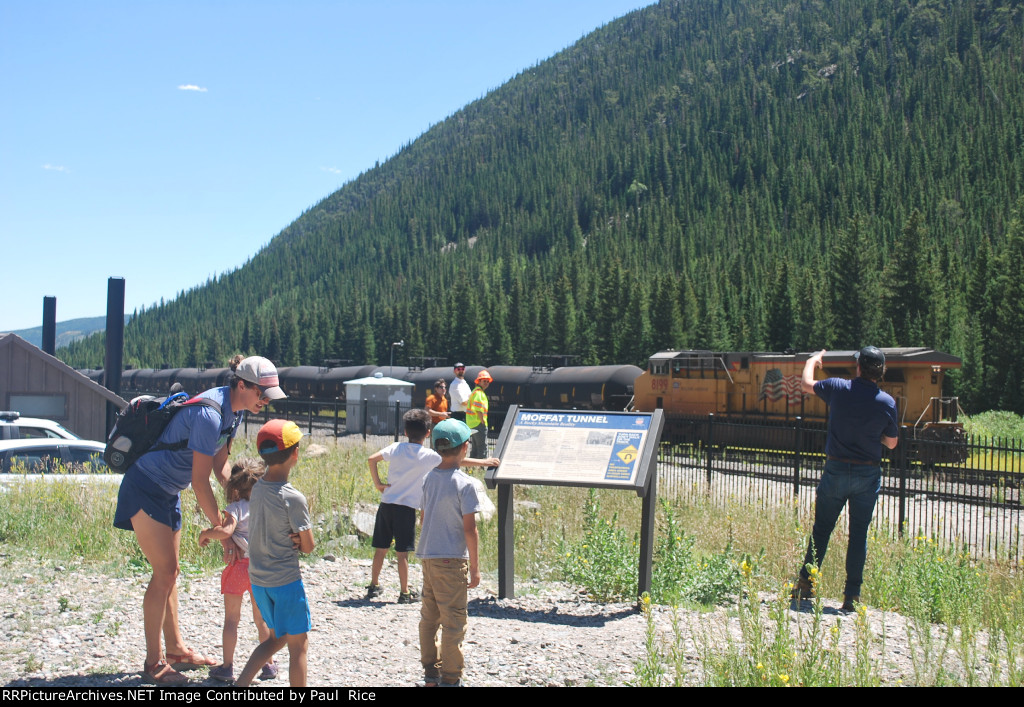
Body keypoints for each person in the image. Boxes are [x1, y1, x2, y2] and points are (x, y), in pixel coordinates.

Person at [113, 354, 286, 685]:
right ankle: (154, 663)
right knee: (164, 572)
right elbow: (199, 479)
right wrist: (225, 529)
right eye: (262, 394)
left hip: (167, 492)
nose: (265, 401)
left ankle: (176, 650)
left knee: (171, 572)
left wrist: (241, 507)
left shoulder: (231, 415)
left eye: (268, 396)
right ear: (242, 385)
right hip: (145, 487)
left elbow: (222, 468)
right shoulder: (209, 413)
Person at [792, 347, 899, 611]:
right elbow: (893, 443)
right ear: (881, 372)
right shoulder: (887, 403)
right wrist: (877, 436)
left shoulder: (839, 388)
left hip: (836, 470)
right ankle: (852, 596)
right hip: (867, 474)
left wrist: (811, 361)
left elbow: (806, 384)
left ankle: (806, 585)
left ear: (858, 367)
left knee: (822, 530)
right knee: (858, 535)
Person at [367, 409, 498, 604]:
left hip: (386, 504)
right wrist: (484, 462)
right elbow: (456, 460)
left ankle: (374, 584)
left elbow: (372, 459)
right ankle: (404, 592)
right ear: (428, 433)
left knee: (380, 548)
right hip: (406, 509)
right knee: (402, 553)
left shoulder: (396, 448)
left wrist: (378, 484)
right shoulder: (428, 455)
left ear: (405, 431)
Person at [235, 419, 315, 688]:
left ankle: (240, 685)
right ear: (295, 454)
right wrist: (296, 538)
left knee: (275, 639)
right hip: (286, 582)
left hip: (259, 581)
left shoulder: (256, 489)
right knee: (298, 647)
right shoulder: (293, 497)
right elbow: (308, 546)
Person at [197, 458, 278, 683]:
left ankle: (227, 667)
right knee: (261, 619)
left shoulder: (235, 508)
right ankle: (269, 664)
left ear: (234, 487)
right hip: (261, 569)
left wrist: (206, 533)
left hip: (238, 568)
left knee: (232, 620)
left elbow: (225, 532)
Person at [418, 419, 483, 687]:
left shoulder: (428, 478)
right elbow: (470, 530)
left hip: (428, 557)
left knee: (429, 617)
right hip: (452, 560)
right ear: (465, 447)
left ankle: (430, 673)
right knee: (454, 620)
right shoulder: (465, 484)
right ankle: (451, 677)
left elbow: (423, 518)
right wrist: (476, 567)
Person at [466, 370, 492, 459]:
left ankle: (472, 468)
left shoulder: (474, 391)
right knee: (482, 447)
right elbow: (478, 410)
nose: (486, 383)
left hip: (472, 423)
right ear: (479, 381)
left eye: (487, 381)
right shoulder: (479, 393)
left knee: (475, 447)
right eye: (484, 381)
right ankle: (481, 468)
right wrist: (483, 422)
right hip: (478, 423)